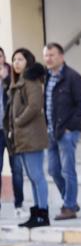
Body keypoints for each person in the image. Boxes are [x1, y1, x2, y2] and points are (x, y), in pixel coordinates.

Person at [41, 42, 81, 220]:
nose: (48, 58)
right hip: (51, 131)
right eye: (46, 55)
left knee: (68, 170)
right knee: (53, 170)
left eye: (52, 55)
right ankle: (70, 201)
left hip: (67, 131)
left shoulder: (73, 77)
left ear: (61, 56)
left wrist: (71, 127)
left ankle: (69, 207)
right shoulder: (46, 77)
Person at [4, 49, 50, 228]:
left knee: (37, 176)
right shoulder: (17, 82)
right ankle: (37, 212)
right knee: (31, 177)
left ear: (28, 62)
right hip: (22, 137)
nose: (16, 63)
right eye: (14, 59)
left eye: (20, 59)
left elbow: (35, 106)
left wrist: (17, 121)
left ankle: (43, 214)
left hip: (31, 136)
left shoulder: (30, 81)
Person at [0, 47, 25, 218]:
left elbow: (18, 95)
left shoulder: (12, 75)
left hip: (11, 130)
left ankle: (18, 204)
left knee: (16, 168)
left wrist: (5, 79)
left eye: (0, 56)